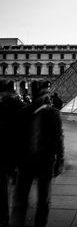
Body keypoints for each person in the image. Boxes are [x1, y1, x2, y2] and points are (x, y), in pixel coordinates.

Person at [11, 88, 64, 227]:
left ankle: (40, 223)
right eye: (44, 96)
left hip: (44, 162)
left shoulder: (53, 114)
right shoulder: (23, 112)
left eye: (48, 96)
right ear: (37, 97)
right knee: (22, 197)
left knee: (43, 199)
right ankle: (19, 222)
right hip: (25, 162)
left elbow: (59, 139)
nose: (47, 99)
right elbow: (15, 139)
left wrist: (60, 161)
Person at [0, 92, 24, 227]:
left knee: (2, 186)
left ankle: (4, 217)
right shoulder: (20, 108)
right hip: (13, 151)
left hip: (4, 151)